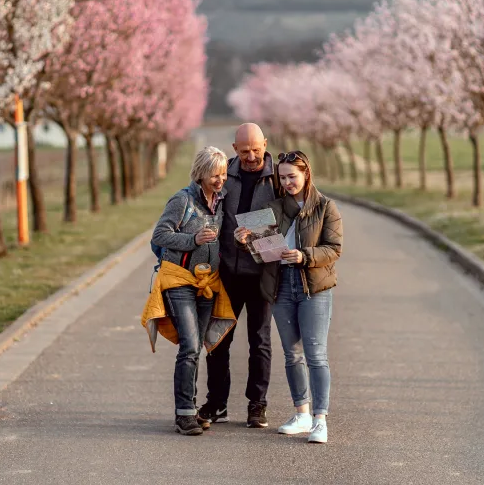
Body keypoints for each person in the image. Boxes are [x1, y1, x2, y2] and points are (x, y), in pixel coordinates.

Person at [235, 150, 342, 444]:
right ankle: (302, 413)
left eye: (292, 176)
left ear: (306, 173)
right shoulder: (273, 208)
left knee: (316, 355)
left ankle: (320, 419)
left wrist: (303, 255)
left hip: (314, 288)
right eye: (282, 177)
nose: (287, 182)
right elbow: (263, 253)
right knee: (292, 354)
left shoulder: (325, 207)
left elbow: (334, 249)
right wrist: (247, 243)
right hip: (281, 286)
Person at [142, 147, 237, 436]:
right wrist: (194, 239)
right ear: (200, 173)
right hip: (179, 281)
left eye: (223, 174)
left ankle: (192, 410)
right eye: (214, 175)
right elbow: (159, 236)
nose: (220, 180)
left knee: (198, 346)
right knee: (190, 346)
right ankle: (184, 414)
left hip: (207, 284)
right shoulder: (182, 200)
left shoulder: (220, 203)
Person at [198, 123, 279, 429]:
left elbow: (286, 221)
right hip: (226, 273)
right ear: (234, 149)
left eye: (256, 149)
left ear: (265, 145)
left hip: (261, 272)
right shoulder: (223, 175)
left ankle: (257, 405)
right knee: (218, 340)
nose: (251, 156)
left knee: (259, 341)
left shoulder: (277, 178)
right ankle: (217, 403)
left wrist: (254, 235)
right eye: (244, 151)